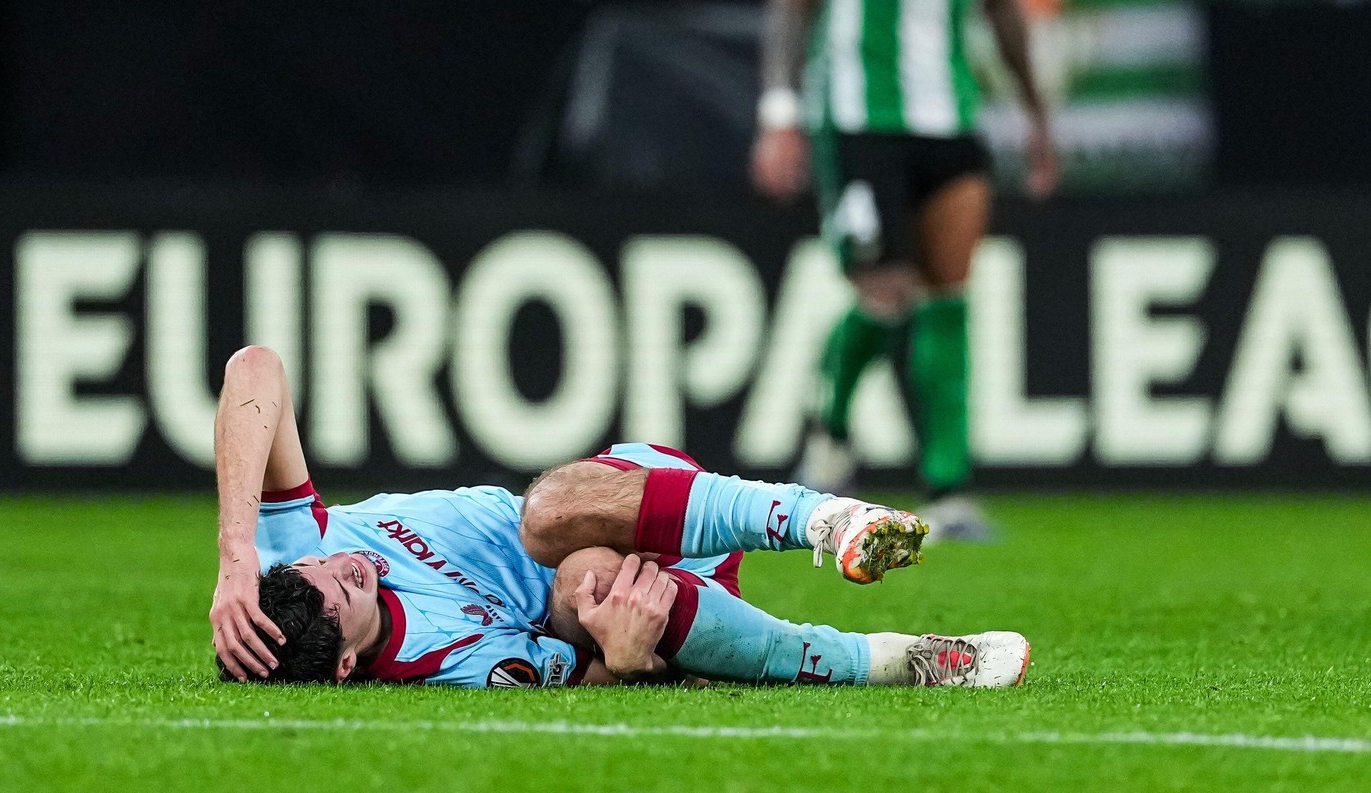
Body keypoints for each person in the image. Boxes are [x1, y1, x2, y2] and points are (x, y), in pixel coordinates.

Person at [209, 345, 1031, 688]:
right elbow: (576, 671)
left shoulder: (287, 548)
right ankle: (904, 660)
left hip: (642, 495)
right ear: (348, 666)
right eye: (342, 598)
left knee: (543, 518)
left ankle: (824, 518)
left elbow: (256, 368)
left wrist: (237, 550)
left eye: (321, 571)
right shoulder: (446, 664)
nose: (348, 570)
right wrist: (625, 662)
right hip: (674, 607)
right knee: (584, 587)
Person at [751, 0, 1058, 540]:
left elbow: (1004, 16)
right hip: (860, 123)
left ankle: (948, 492)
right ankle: (833, 430)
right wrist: (780, 116)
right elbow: (792, 12)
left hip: (951, 122)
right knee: (884, 296)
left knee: (948, 299)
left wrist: (1035, 112)